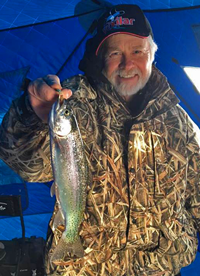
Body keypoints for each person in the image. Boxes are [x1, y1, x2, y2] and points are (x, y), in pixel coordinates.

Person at [0, 4, 199, 276]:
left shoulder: (177, 119)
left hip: (162, 268)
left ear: (152, 56)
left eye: (137, 51)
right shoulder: (74, 102)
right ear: (101, 58)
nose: (127, 64)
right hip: (85, 268)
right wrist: (30, 116)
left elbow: (196, 189)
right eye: (115, 53)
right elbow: (29, 165)